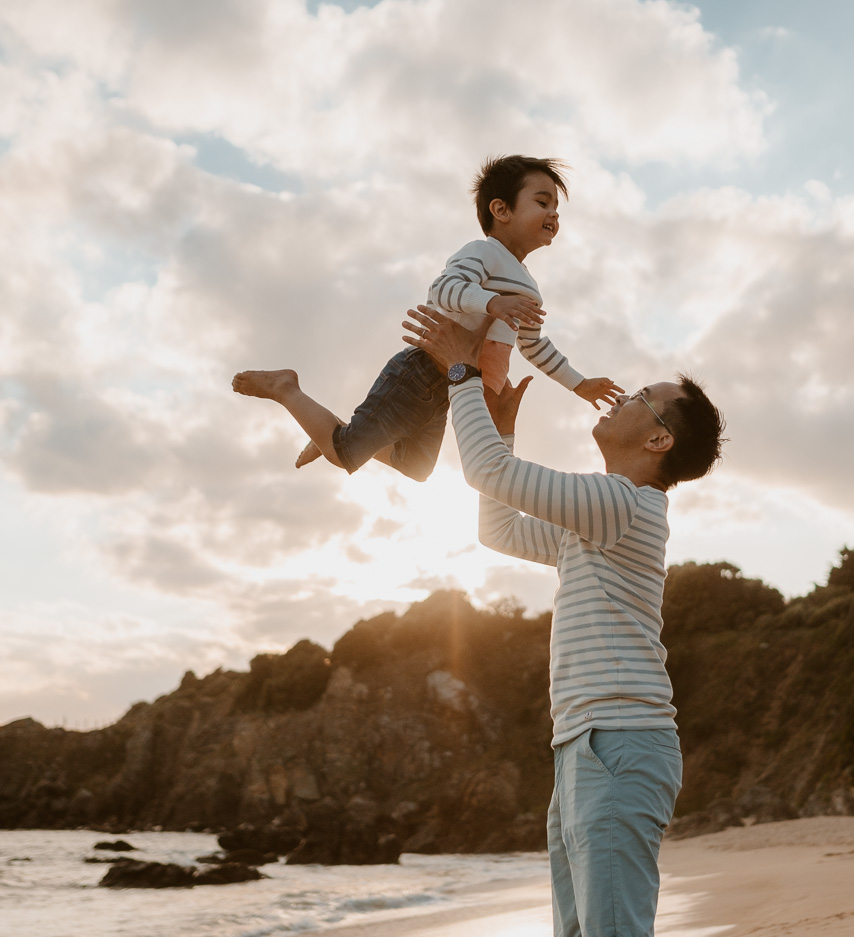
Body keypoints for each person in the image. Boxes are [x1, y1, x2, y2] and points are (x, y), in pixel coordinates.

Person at [402, 304, 725, 937]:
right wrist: (501, 433)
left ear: (659, 440)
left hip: (618, 740)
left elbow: (486, 472)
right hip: (586, 743)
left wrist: (464, 370)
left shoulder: (622, 506)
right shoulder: (599, 520)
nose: (622, 396)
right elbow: (497, 529)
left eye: (641, 397)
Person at [233, 155, 620, 482]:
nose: (553, 212)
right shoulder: (483, 253)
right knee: (344, 454)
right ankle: (287, 389)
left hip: (451, 387)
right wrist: (491, 304)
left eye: (556, 207)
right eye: (542, 201)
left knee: (416, 468)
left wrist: (579, 384)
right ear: (501, 210)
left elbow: (534, 344)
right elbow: (443, 289)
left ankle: (336, 430)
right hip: (420, 371)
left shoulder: (530, 289)